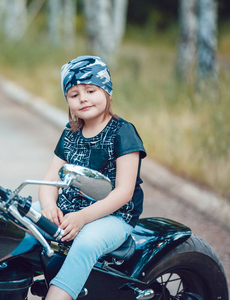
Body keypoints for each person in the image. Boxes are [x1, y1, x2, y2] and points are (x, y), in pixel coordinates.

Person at [39, 55, 146, 300]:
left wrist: (83, 217)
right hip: (69, 209)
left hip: (114, 215)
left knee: (85, 244)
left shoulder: (122, 132)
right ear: (67, 100)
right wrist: (48, 207)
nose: (83, 98)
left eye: (90, 90)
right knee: (20, 219)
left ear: (107, 92)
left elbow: (124, 192)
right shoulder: (70, 132)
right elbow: (49, 180)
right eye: (74, 94)